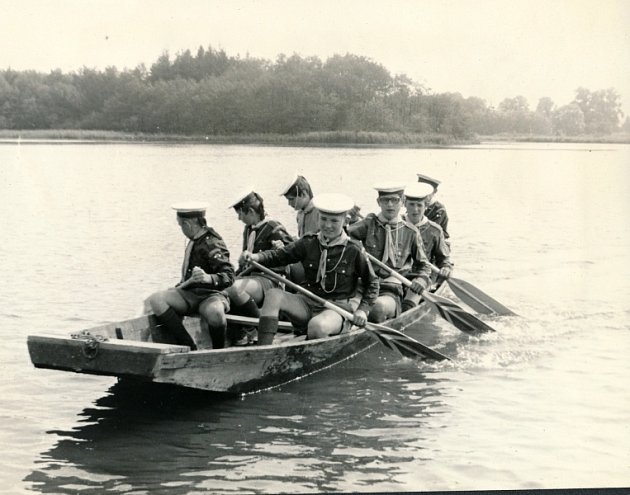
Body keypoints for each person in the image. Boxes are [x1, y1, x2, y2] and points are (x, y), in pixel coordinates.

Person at [240, 193, 379, 345]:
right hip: (306, 301)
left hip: (336, 309)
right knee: (273, 295)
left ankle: (311, 350)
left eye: (334, 221)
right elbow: (279, 256)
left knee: (316, 326)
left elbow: (372, 284)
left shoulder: (354, 250)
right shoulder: (309, 242)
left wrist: (362, 310)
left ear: (345, 221)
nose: (327, 225)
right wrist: (256, 257)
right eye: (323, 219)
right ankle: (262, 351)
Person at [147, 203, 235, 350]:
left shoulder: (212, 242)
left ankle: (218, 350)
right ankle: (189, 346)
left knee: (216, 313)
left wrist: (208, 278)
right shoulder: (194, 240)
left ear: (187, 224)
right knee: (157, 299)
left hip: (210, 295)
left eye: (181, 225)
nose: (182, 229)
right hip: (189, 294)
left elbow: (229, 275)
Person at [347, 183, 432, 322]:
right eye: (385, 200)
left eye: (395, 200)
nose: (390, 205)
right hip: (363, 286)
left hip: (390, 290)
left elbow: (424, 265)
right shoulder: (368, 224)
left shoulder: (410, 232)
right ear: (378, 202)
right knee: (348, 311)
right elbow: (344, 236)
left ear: (402, 201)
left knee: (378, 307)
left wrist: (421, 280)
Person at [223, 189, 293, 344]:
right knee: (225, 285)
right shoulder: (249, 229)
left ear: (251, 211)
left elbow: (293, 253)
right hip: (251, 278)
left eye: (241, 214)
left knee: (235, 289)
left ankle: (259, 328)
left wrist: (281, 248)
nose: (239, 218)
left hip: (270, 280)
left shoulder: (275, 228)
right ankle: (238, 334)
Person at [401, 182, 454, 311]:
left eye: (419, 205)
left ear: (426, 206)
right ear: (404, 204)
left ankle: (406, 309)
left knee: (410, 301)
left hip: (422, 277)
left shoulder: (435, 230)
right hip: (398, 276)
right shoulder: (396, 224)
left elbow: (444, 260)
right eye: (411, 205)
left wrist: (446, 268)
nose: (415, 210)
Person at [280, 173, 319, 238]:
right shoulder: (300, 214)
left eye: (291, 199)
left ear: (304, 193)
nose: (289, 204)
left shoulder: (320, 212)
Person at [416, 173, 450, 240]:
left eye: (427, 191)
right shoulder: (414, 203)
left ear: (435, 191)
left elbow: (430, 233)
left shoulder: (439, 210)